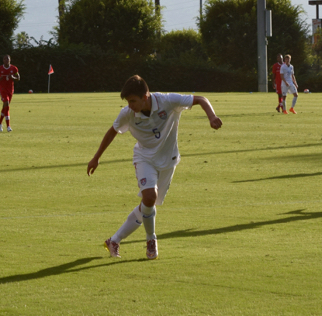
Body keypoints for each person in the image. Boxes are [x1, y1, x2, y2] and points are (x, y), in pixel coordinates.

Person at [86, 75, 222, 260]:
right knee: (149, 197)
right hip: (144, 158)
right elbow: (112, 131)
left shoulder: (167, 101)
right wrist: (96, 158)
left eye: (133, 100)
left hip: (168, 160)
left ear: (146, 96)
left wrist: (212, 117)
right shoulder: (127, 113)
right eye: (128, 101)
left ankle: (114, 240)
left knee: (147, 206)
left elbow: (200, 99)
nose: (130, 105)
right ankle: (151, 239)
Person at [0, 55, 20, 132]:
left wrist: (13, 77)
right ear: (3, 60)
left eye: (7, 59)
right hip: (2, 89)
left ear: (10, 60)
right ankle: (8, 126)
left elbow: (18, 78)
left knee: (5, 106)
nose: (6, 60)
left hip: (10, 89)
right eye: (5, 59)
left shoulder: (14, 68)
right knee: (7, 104)